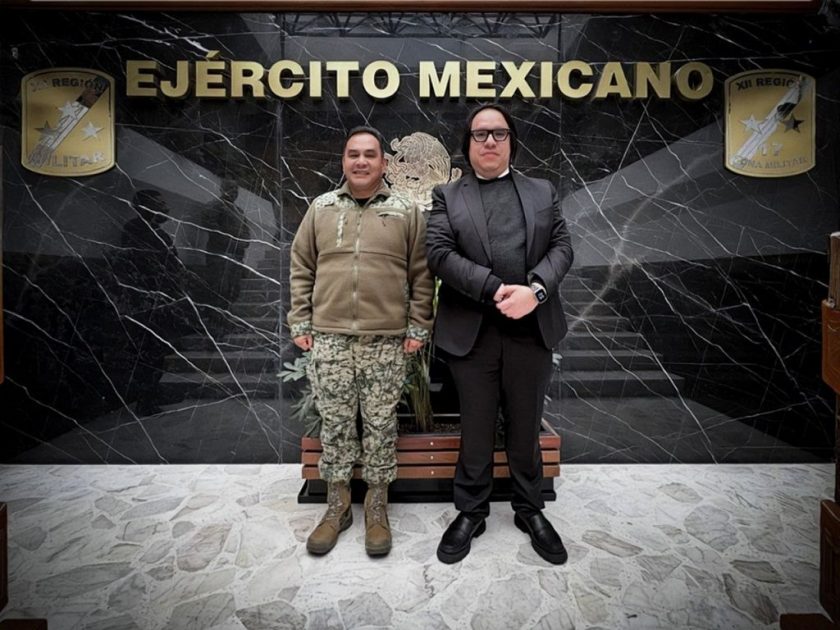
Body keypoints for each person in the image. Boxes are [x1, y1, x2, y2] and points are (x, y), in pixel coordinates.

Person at [426, 104, 574, 565]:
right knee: (475, 427)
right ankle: (471, 511)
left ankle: (530, 509)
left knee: (526, 427)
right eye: (480, 134)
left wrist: (535, 291)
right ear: (467, 144)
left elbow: (562, 247)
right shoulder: (448, 195)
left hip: (532, 330)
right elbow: (439, 253)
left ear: (512, 141)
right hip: (473, 335)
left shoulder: (542, 191)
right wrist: (493, 288)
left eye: (499, 133)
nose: (490, 141)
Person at [288, 126, 434, 557]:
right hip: (329, 339)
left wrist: (418, 327)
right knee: (335, 424)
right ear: (343, 161)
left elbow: (421, 274)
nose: (361, 161)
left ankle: (376, 507)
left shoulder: (406, 211)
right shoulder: (321, 208)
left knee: (381, 425)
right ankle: (337, 507)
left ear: (384, 163)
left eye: (370, 154)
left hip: (386, 341)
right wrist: (300, 321)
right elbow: (301, 266)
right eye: (353, 154)